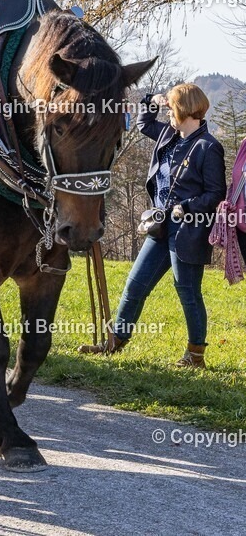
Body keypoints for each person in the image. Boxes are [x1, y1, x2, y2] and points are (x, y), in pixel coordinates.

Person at [81, 83, 225, 368]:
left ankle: (195, 356)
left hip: (189, 229)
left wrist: (186, 207)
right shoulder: (168, 136)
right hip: (159, 228)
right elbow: (143, 121)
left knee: (187, 291)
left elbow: (215, 193)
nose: (168, 112)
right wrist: (152, 99)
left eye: (171, 107)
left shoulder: (209, 147)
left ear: (184, 109)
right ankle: (115, 342)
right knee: (135, 284)